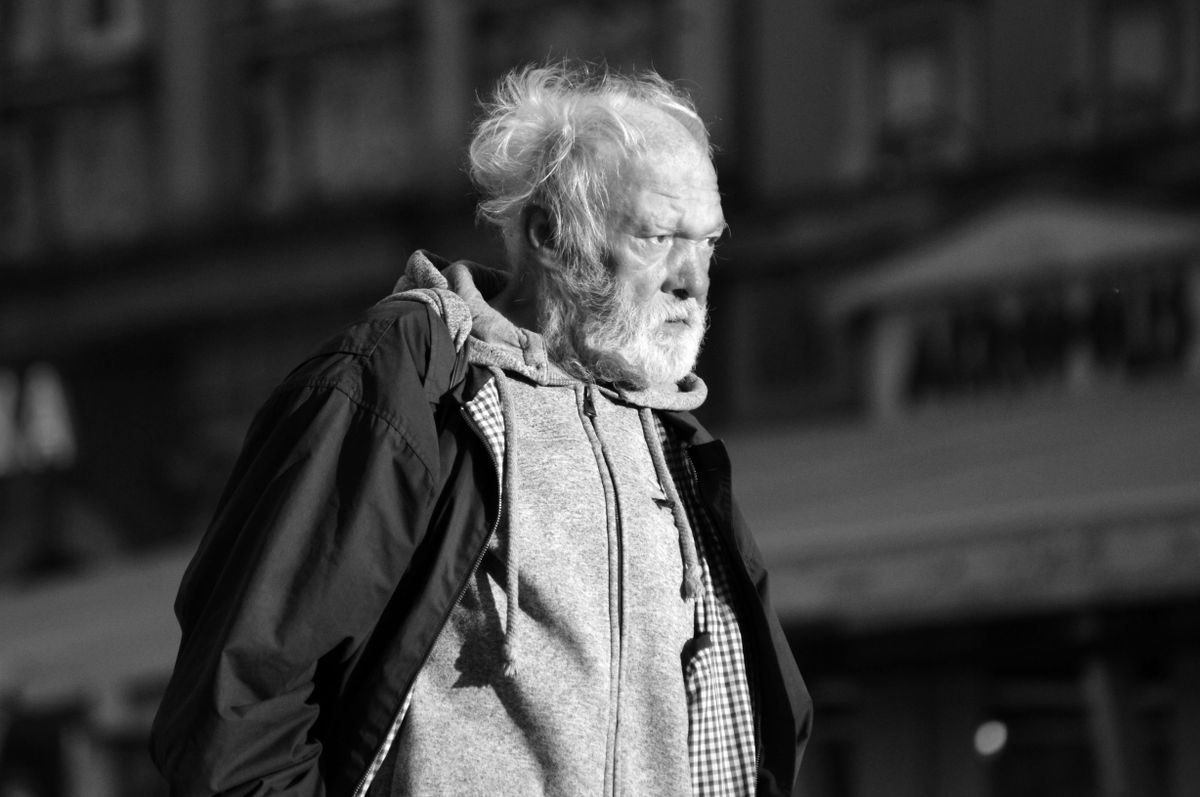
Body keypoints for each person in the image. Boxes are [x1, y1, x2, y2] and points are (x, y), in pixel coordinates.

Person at [150, 61, 812, 797]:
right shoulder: (403, 385)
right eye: (658, 237)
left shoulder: (672, 444)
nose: (693, 277)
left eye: (708, 242)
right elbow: (240, 714)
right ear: (551, 233)